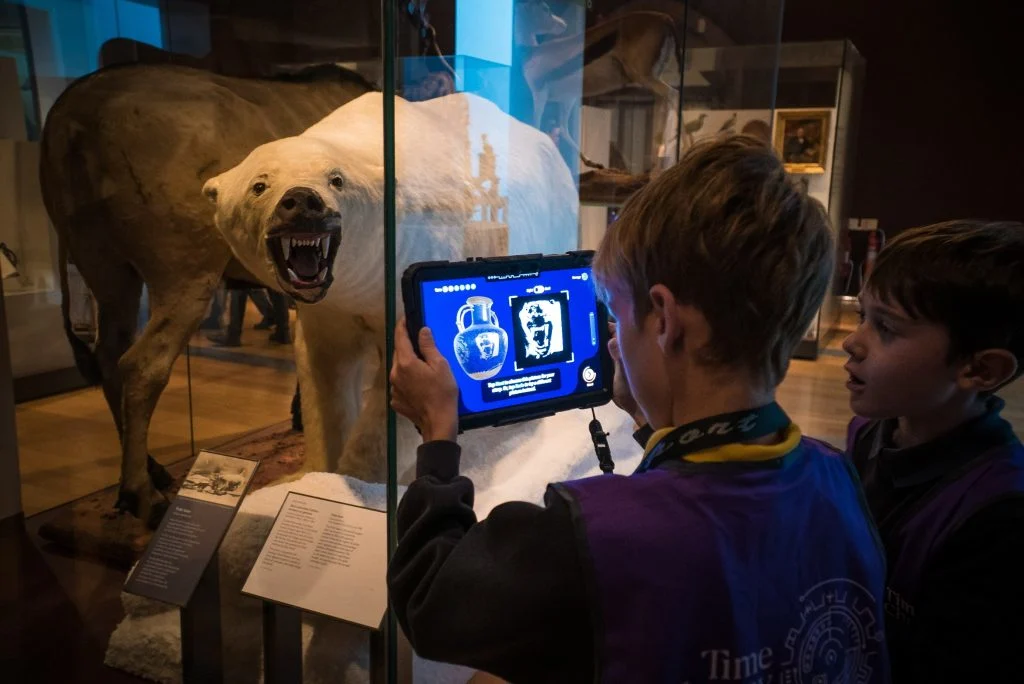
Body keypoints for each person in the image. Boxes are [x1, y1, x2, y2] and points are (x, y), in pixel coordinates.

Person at [387, 135, 890, 683]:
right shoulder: (837, 476)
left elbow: (432, 605)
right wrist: (656, 417)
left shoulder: (595, 533)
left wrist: (438, 436)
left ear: (665, 320)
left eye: (620, 317)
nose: (613, 341)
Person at [842, 220, 1024, 682]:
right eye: (863, 315)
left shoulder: (1001, 513)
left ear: (980, 369)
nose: (852, 340)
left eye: (885, 327)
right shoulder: (867, 432)